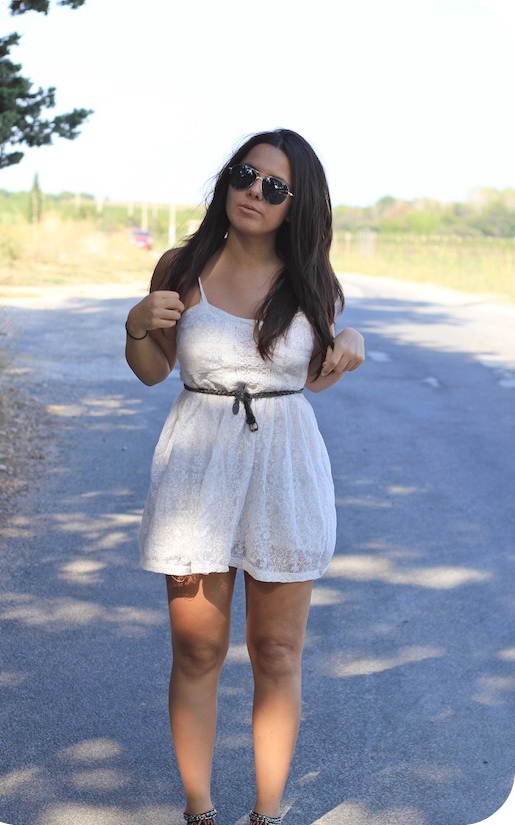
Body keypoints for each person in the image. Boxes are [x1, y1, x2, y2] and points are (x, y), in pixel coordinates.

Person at [125, 128, 365, 825]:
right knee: (197, 647)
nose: (254, 191)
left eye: (274, 186)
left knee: (276, 650)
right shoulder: (182, 265)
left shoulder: (312, 281)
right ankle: (198, 810)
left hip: (284, 470)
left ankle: (267, 813)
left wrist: (350, 341)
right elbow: (152, 370)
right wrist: (136, 325)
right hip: (197, 468)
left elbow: (316, 379)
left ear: (297, 204)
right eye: (244, 174)